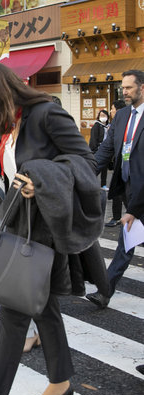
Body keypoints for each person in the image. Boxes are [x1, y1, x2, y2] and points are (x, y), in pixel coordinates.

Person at [0, 61, 101, 395]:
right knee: (44, 308)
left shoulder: (46, 114)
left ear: (0, 91)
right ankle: (61, 381)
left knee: (14, 312)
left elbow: (86, 163)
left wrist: (43, 179)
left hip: (45, 229)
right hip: (18, 225)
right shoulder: (6, 126)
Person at [86, 70, 144, 309]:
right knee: (126, 244)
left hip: (141, 196)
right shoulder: (121, 117)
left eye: (129, 87)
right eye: (123, 88)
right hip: (132, 191)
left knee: (127, 241)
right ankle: (105, 291)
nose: (124, 92)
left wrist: (134, 208)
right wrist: (83, 173)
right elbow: (105, 151)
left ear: (142, 88)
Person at [105, 99, 127, 227]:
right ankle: (117, 217)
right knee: (119, 193)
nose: (111, 111)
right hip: (120, 165)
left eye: (112, 108)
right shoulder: (115, 124)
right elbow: (107, 146)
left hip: (132, 169)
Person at [89, 109, 110, 189]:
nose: (103, 117)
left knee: (104, 168)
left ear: (107, 117)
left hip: (106, 149)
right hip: (98, 149)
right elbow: (93, 139)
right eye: (101, 116)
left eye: (104, 116)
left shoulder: (109, 126)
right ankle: (92, 183)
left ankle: (103, 184)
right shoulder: (96, 125)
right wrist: (94, 150)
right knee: (95, 168)